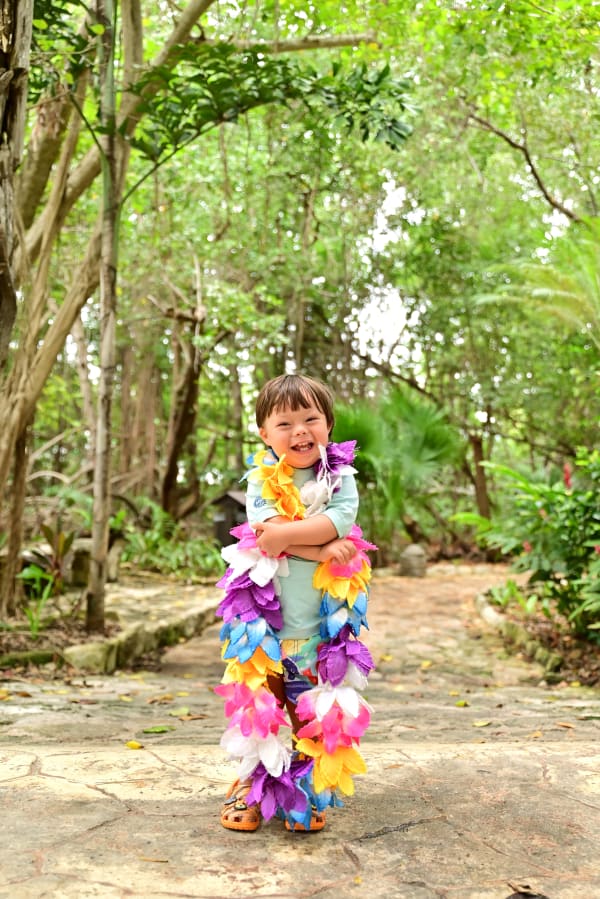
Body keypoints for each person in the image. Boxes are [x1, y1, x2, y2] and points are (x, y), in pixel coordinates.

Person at [216, 373, 375, 832]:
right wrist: (318, 547)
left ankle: (304, 793)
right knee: (258, 716)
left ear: (328, 424)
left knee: (313, 716)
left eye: (311, 418)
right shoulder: (261, 480)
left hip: (318, 635)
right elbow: (265, 536)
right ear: (265, 434)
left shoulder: (341, 478)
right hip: (261, 634)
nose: (300, 431)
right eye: (285, 423)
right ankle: (249, 784)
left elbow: (338, 521)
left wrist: (293, 538)